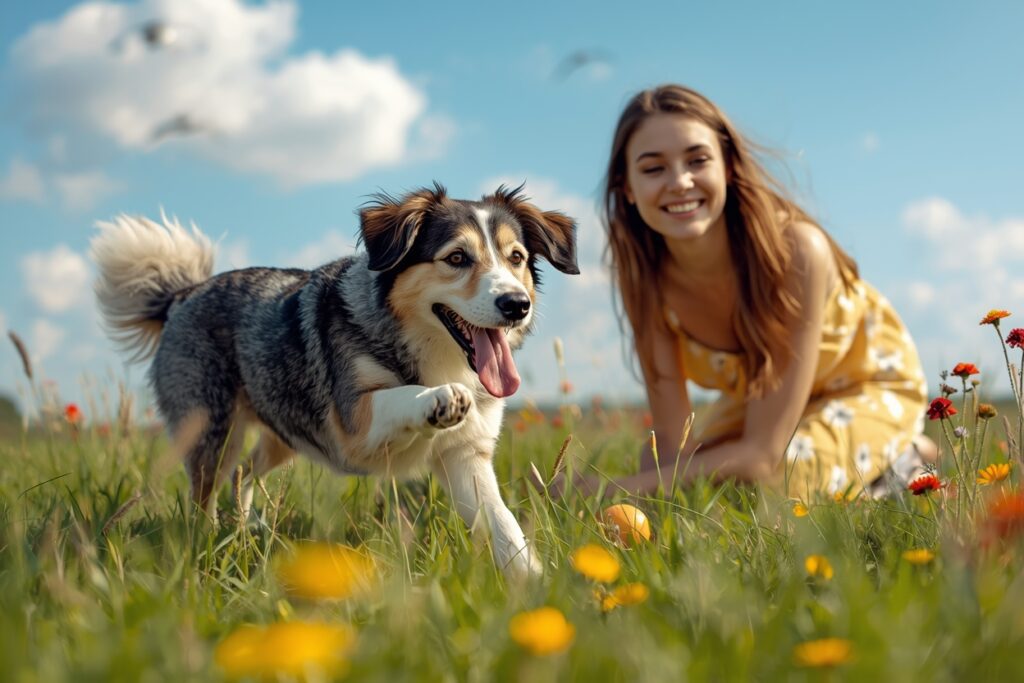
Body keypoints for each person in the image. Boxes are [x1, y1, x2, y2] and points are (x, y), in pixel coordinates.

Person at [577, 84, 933, 500]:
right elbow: (674, 444)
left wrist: (609, 490)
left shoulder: (797, 250)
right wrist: (644, 491)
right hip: (767, 403)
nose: (680, 182)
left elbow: (761, 455)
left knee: (782, 481)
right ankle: (877, 464)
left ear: (728, 166)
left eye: (698, 160)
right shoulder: (645, 278)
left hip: (862, 385)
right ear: (628, 189)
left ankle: (904, 456)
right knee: (663, 466)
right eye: (654, 169)